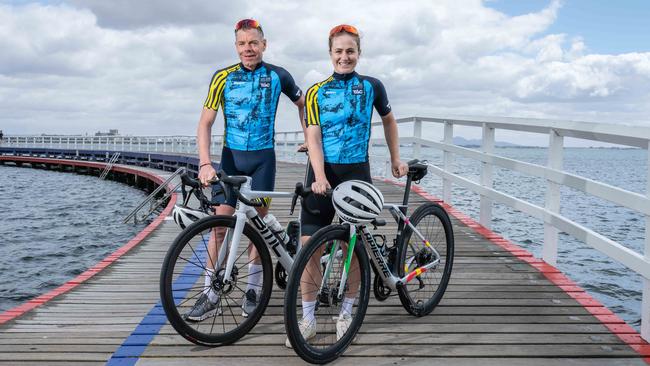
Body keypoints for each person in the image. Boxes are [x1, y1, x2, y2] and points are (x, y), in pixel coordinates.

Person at [286, 24, 408, 347]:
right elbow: (312, 135)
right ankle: (308, 319)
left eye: (350, 51)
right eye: (338, 51)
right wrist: (320, 175)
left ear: (359, 53)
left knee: (351, 246)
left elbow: (389, 120)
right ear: (330, 54)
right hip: (321, 174)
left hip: (356, 171)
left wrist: (396, 159)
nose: (344, 57)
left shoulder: (372, 87)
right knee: (309, 244)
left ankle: (348, 311)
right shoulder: (315, 92)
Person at [188, 18, 305, 321]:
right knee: (219, 224)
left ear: (264, 45)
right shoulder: (222, 77)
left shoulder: (278, 75)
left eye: (254, 43)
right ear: (236, 46)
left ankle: (253, 290)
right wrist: (204, 162)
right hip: (231, 159)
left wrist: (309, 137)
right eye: (242, 44)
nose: (248, 49)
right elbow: (205, 123)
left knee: (258, 226)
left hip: (263, 159)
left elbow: (304, 103)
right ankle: (210, 293)